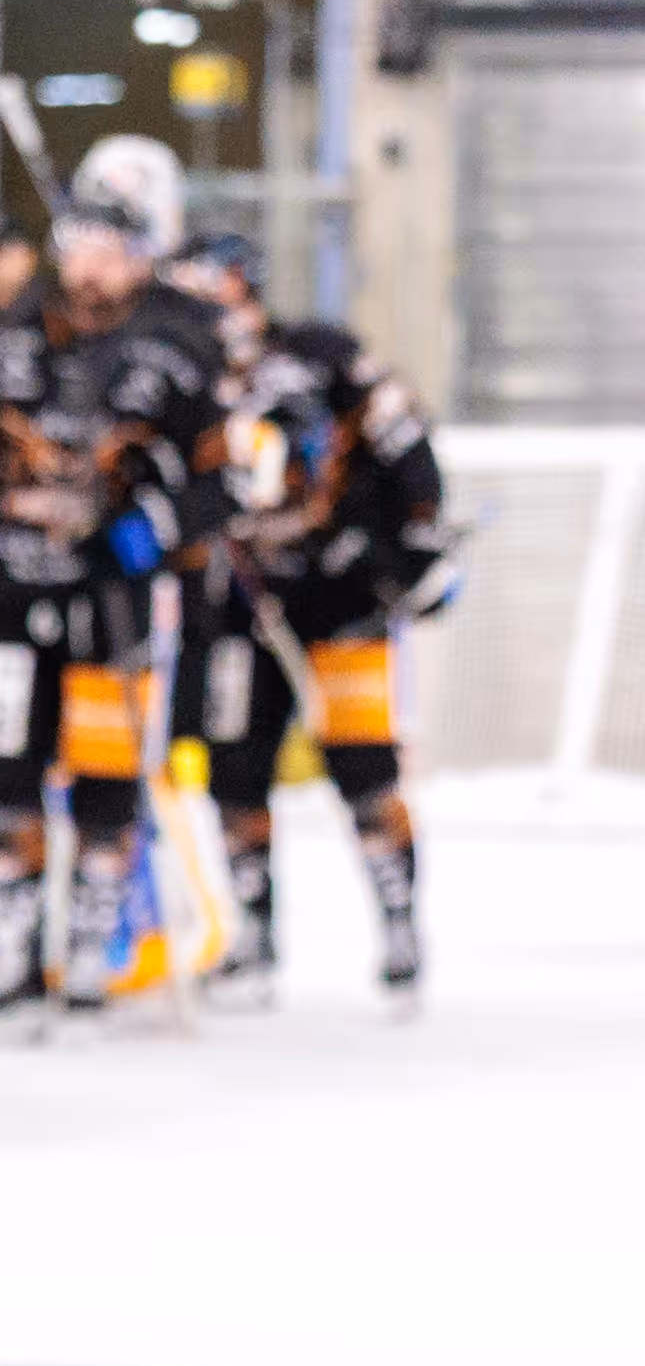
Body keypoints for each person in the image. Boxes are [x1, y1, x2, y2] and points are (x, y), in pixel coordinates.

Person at [0, 135, 234, 1024]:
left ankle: (90, 946)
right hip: (9, 588)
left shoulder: (177, 348)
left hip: (113, 597)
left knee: (108, 775)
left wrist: (157, 528)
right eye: (79, 248)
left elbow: (220, 478)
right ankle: (11, 954)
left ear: (141, 257)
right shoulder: (11, 339)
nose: (92, 267)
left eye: (111, 250)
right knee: (3, 777)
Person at [173, 234, 446, 1007]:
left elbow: (401, 437)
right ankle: (253, 936)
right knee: (233, 768)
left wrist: (413, 545)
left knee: (364, 767)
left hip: (339, 593)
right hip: (237, 599)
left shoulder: (318, 353)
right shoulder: (173, 370)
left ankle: (398, 924)